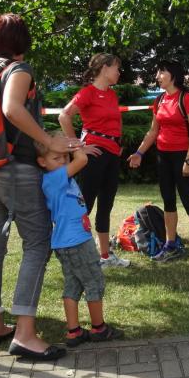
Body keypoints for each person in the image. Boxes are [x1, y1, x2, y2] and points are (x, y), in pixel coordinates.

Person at [0, 13, 82, 360]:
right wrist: (49, 140)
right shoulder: (19, 69)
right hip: (15, 169)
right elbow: (12, 108)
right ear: (22, 41)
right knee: (37, 243)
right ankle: (26, 334)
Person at [36, 133, 122, 347]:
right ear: (42, 162)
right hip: (76, 243)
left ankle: (74, 331)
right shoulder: (53, 179)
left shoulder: (60, 178)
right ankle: (99, 328)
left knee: (73, 284)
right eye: (57, 157)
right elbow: (82, 159)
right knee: (94, 281)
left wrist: (66, 148)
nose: (63, 161)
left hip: (67, 242)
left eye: (65, 157)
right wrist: (73, 144)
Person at [128, 60, 189, 261]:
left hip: (182, 156)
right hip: (163, 157)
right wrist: (139, 153)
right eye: (157, 72)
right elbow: (153, 131)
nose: (157, 76)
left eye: (161, 72)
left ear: (173, 75)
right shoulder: (159, 100)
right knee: (168, 201)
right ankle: (171, 244)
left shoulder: (186, 99)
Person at [59, 53, 129, 269]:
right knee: (85, 205)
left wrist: (117, 144)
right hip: (95, 154)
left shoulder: (112, 95)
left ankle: (105, 256)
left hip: (112, 154)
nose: (119, 72)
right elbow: (64, 116)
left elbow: (115, 122)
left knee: (106, 204)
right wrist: (78, 147)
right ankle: (72, 253)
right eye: (116, 68)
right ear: (104, 68)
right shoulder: (88, 92)